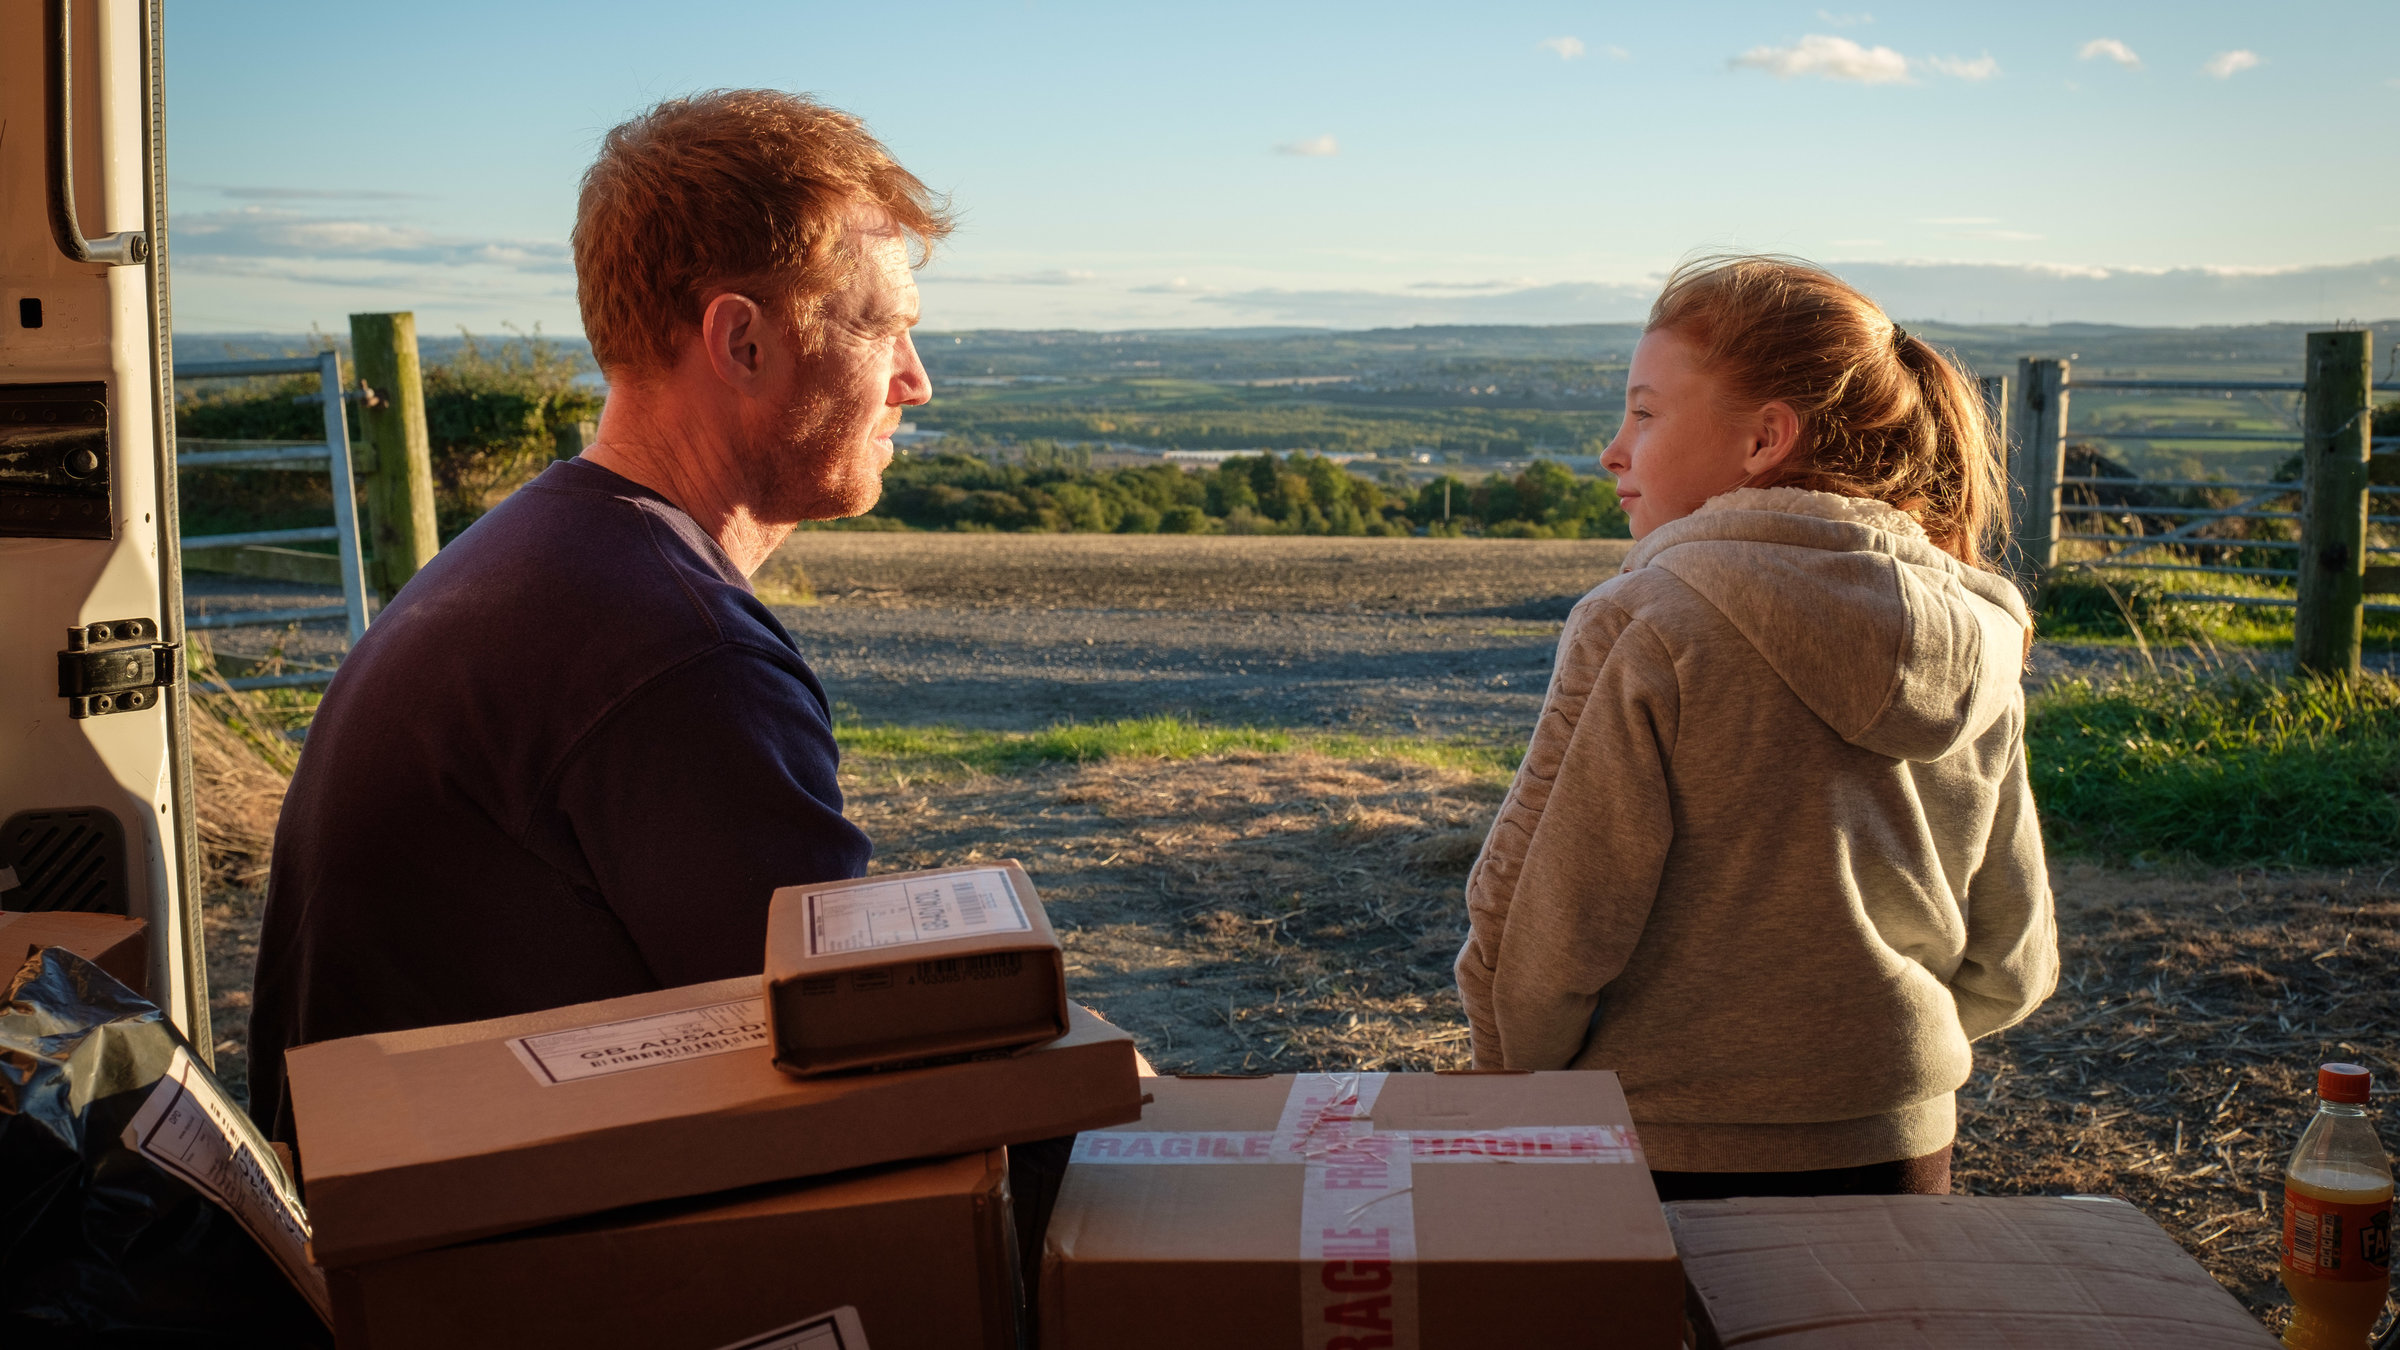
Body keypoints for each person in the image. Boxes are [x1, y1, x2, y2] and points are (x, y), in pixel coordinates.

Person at [244, 91, 949, 1142]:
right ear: (742, 342)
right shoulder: (679, 656)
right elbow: (862, 1083)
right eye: (883, 326)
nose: (915, 382)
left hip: (408, 1233)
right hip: (506, 1279)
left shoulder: (545, 555)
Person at [1453, 255, 2058, 1201]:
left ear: (1764, 440)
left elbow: (1540, 934)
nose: (1613, 450)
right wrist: (1875, 1051)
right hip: (1903, 1142)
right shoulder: (1982, 633)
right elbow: (2014, 958)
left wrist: (1510, 1081)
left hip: (1664, 1145)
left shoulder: (1647, 622)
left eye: (1645, 413)